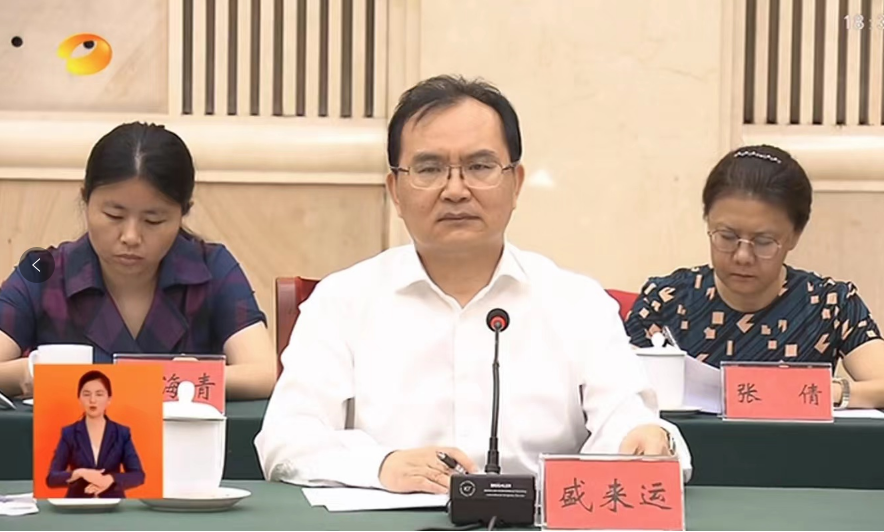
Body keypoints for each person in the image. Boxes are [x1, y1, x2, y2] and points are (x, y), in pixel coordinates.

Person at [255, 75, 692, 494]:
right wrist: (381, 466)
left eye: (480, 167)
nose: (455, 190)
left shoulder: (577, 303)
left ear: (516, 184)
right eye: (429, 169)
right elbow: (286, 439)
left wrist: (644, 439)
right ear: (396, 191)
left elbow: (627, 418)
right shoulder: (342, 301)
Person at [625, 145, 884, 409]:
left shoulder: (829, 304)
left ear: (794, 236)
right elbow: (616, 394)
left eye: (763, 242)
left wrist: (817, 392)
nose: (742, 256)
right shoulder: (666, 300)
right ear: (708, 223)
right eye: (727, 236)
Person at [0, 122, 276, 400]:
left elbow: (264, 373)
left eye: (153, 220)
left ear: (183, 212)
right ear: (86, 199)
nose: (131, 237)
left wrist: (179, 379)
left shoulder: (212, 268)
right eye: (114, 216)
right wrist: (27, 373)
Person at [46, 370, 144, 498]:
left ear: (109, 399)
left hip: (112, 502)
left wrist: (109, 479)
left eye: (99, 394)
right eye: (86, 394)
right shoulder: (69, 433)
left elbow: (138, 475)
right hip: (78, 503)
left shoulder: (122, 433)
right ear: (79, 399)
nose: (92, 400)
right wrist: (79, 473)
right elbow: (52, 478)